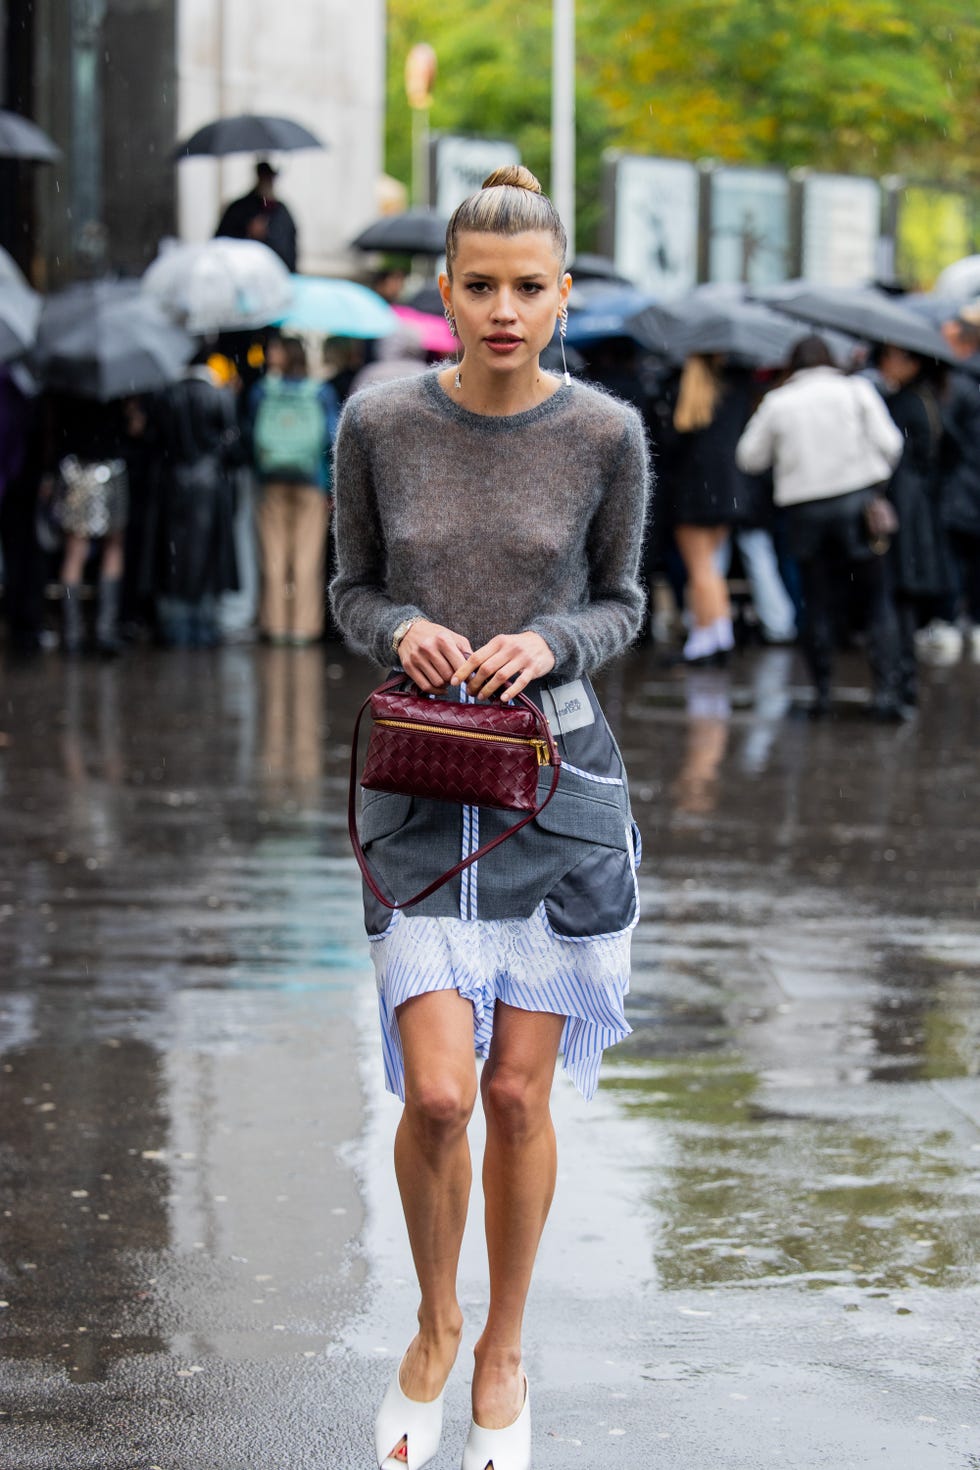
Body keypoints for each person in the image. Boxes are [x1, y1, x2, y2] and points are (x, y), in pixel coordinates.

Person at [330, 165, 650, 1470]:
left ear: (563, 295)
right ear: (443, 292)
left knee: (520, 1093)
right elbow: (348, 587)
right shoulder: (379, 421)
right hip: (415, 792)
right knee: (444, 1096)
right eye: (482, 286)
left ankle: (504, 1349)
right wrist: (402, 625)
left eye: (530, 287)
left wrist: (550, 639)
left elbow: (626, 601)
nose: (505, 308)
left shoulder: (607, 434)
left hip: (559, 791)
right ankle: (435, 1317)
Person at [736, 335, 905, 719]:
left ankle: (822, 694)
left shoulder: (778, 402)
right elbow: (891, 443)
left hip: (804, 511)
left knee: (817, 602)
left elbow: (749, 458)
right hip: (858, 505)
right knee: (877, 600)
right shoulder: (856, 390)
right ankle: (885, 694)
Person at [658, 354, 754, 664]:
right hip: (728, 488)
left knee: (699, 569)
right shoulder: (736, 389)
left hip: (694, 489)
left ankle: (708, 639)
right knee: (710, 567)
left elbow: (670, 444)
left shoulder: (682, 391)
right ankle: (717, 633)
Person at [143, 354, 241, 648]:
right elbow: (234, 448)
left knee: (173, 556)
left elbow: (153, 441)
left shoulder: (166, 396)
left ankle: (176, 627)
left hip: (173, 484)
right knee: (208, 556)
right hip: (210, 485)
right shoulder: (220, 396)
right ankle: (203, 627)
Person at [874, 345, 952, 706]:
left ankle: (899, 677)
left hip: (905, 503)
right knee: (902, 589)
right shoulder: (922, 399)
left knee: (898, 590)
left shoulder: (909, 402)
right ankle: (902, 675)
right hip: (914, 503)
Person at [248, 336, 338, 644]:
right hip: (310, 481)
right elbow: (330, 439)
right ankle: (303, 629)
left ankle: (275, 626)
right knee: (306, 557)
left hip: (271, 479)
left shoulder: (262, 391)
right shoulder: (320, 392)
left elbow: (250, 434)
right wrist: (330, 485)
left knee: (273, 555)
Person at [937, 302, 980, 660]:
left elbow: (946, 436)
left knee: (953, 556)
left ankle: (951, 620)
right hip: (968, 482)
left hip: (960, 484)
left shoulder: (960, 383)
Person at [215, 160, 297, 272]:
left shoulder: (280, 210)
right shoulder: (239, 208)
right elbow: (221, 244)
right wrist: (248, 233)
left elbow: (289, 248)